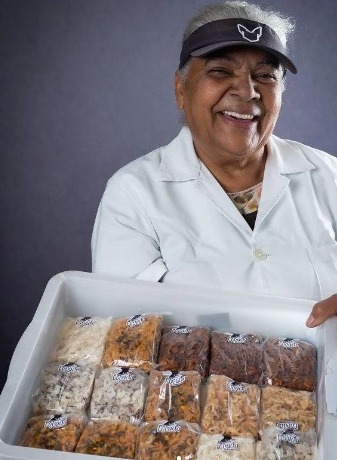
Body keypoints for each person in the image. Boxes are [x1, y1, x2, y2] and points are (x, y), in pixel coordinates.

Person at [91, 1, 337, 328]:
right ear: (181, 89)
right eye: (220, 71)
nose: (248, 91)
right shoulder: (133, 195)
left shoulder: (329, 177)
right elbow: (125, 334)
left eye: (265, 75)